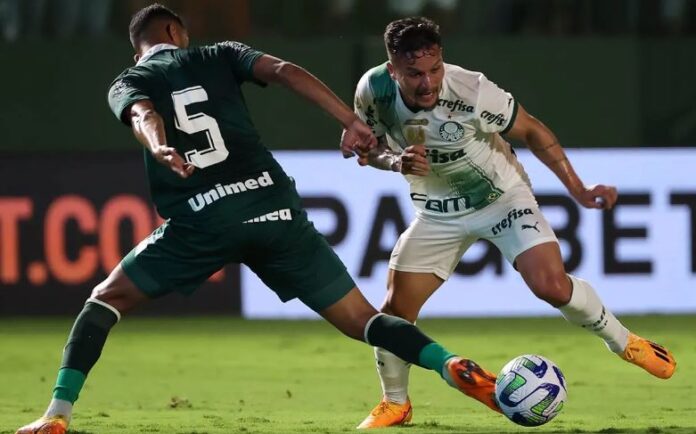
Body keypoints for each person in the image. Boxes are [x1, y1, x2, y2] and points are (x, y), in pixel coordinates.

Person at [15, 6, 502, 434]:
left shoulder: (128, 80)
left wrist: (158, 144)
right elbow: (287, 70)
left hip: (205, 220)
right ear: (175, 30)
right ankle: (448, 362)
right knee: (364, 320)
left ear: (141, 43)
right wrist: (349, 121)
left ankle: (56, 414)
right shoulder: (219, 54)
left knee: (105, 300)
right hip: (275, 208)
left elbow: (141, 112)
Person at [340, 16, 677, 429]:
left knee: (550, 286)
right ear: (393, 70)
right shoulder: (371, 91)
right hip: (436, 212)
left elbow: (533, 131)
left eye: (434, 70)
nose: (427, 83)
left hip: (502, 198)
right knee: (394, 313)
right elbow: (367, 149)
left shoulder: (472, 90)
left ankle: (625, 343)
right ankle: (396, 403)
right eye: (414, 74)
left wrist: (578, 188)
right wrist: (393, 161)